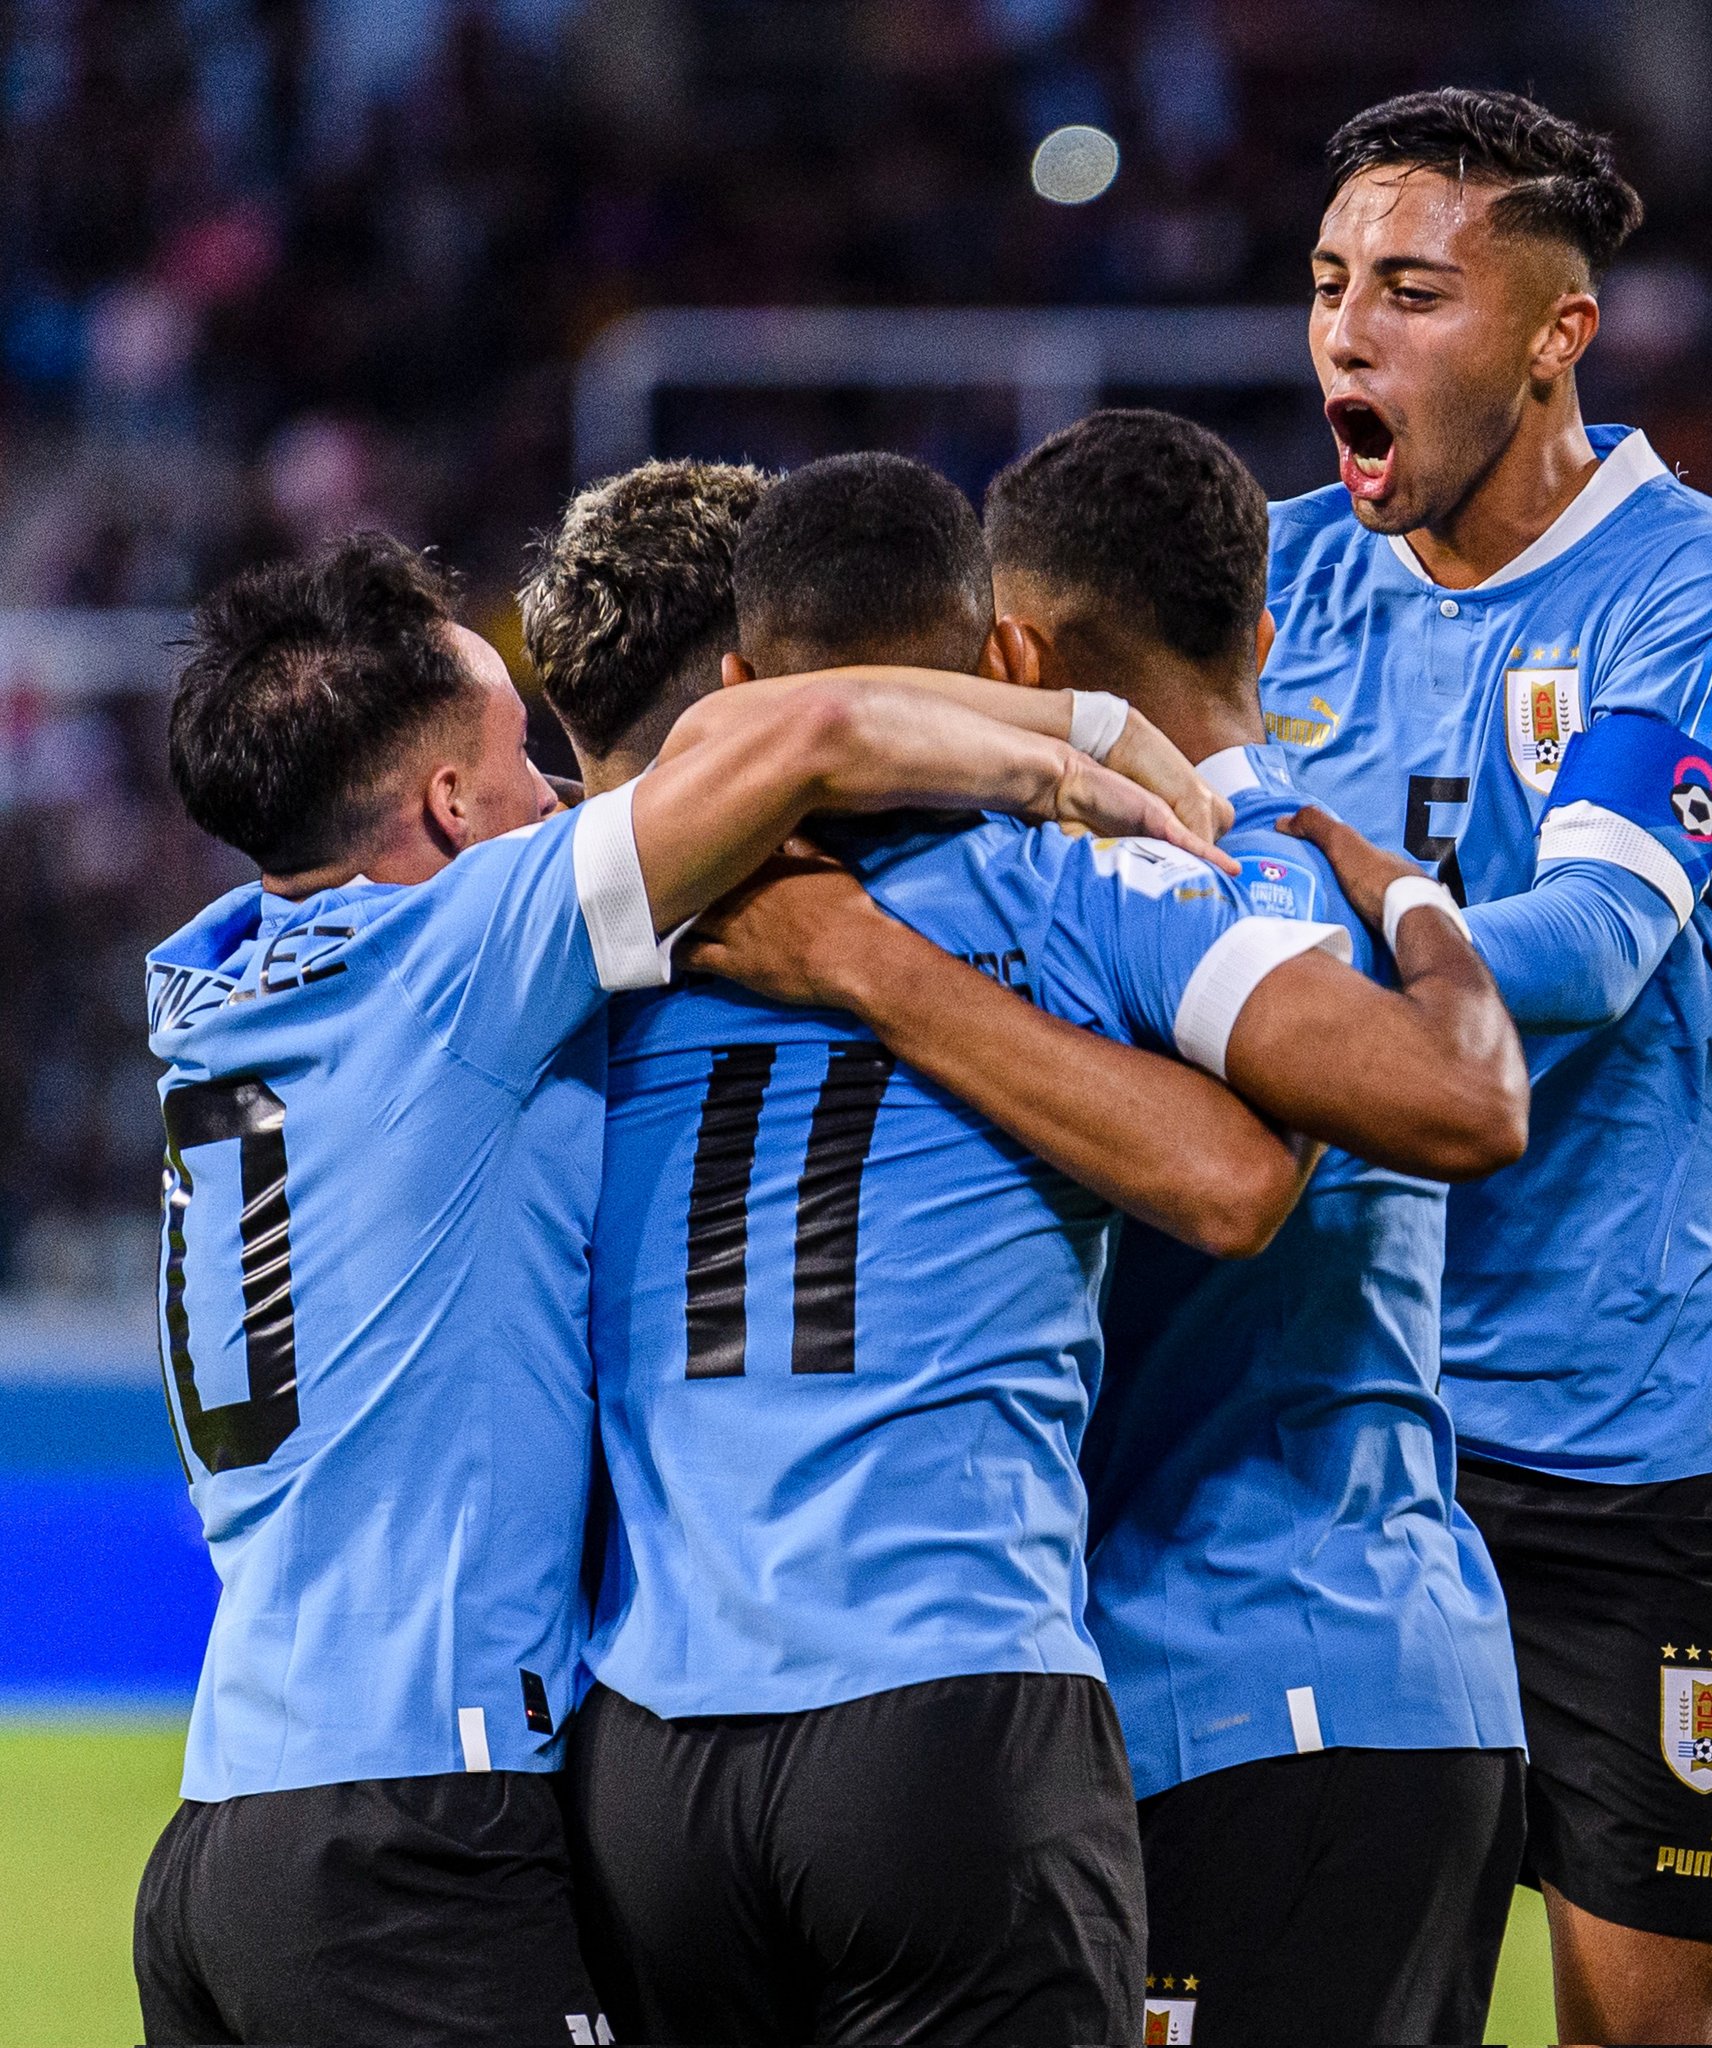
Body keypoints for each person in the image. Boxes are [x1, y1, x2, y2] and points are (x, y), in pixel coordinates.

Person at [134, 531, 1213, 2047]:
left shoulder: (220, 996)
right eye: (524, 761)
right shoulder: (454, 953)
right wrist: (1091, 746)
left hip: (221, 1832)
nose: (566, 798)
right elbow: (813, 730)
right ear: (445, 808)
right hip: (411, 1827)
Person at [538, 451, 1526, 2048]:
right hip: (951, 1701)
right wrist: (1415, 901)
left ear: (739, 678)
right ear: (989, 658)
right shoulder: (1085, 881)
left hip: (652, 1739)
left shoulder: (592, 933)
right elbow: (1262, 1174)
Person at [1260, 87, 1712, 2045]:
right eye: (1330, 283)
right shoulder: (1266, 591)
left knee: (1654, 2030)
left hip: (1624, 1424)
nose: (1349, 332)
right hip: (1326, 1422)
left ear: (1551, 332)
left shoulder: (1696, 591)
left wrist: (1236, 989)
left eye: (1413, 291)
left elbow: (1586, 951)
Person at [978, 406, 1527, 2048]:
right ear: (1266, 634)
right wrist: (1425, 897)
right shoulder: (1334, 884)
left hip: (1226, 1685)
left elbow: (1233, 1189)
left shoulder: (1160, 902)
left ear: (1018, 652)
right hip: (1428, 1674)